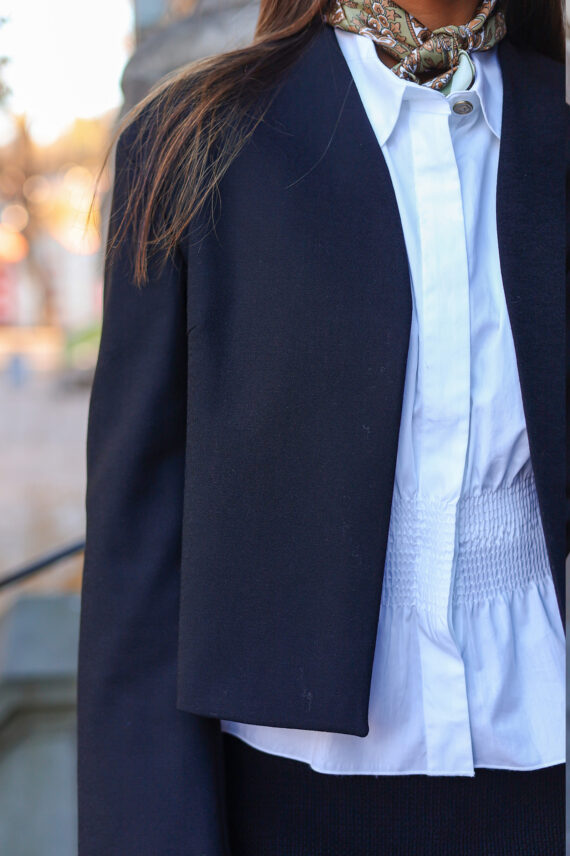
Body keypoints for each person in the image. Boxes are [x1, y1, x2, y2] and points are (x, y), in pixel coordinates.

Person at [76, 1, 567, 853]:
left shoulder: (556, 132)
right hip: (281, 793)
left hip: (543, 774)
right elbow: (139, 560)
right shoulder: (193, 141)